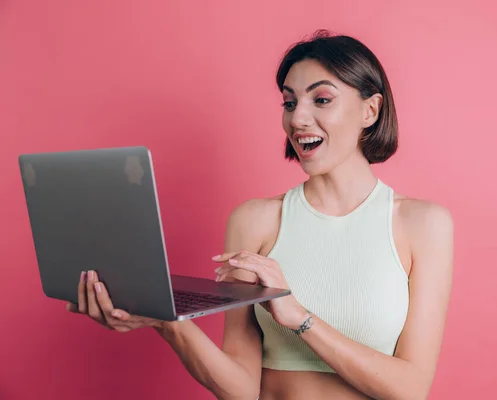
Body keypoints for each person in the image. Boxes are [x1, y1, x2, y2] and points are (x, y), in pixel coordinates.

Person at [67, 29, 454, 400]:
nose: (297, 119)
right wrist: (166, 321)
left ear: (370, 110)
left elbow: (411, 389)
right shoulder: (254, 221)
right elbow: (241, 389)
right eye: (289, 102)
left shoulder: (422, 225)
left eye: (321, 100)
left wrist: (299, 318)